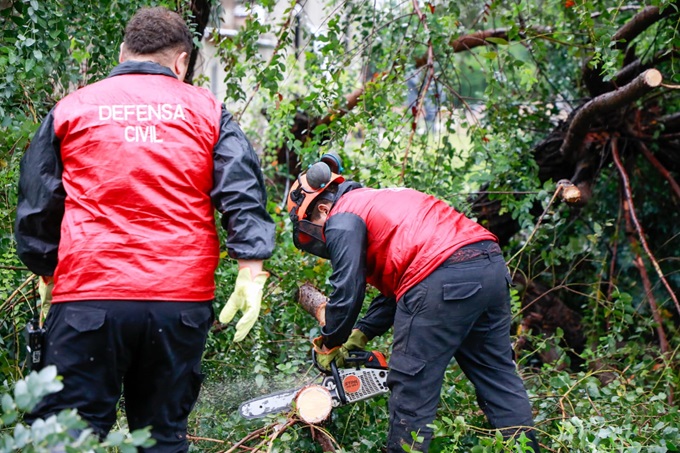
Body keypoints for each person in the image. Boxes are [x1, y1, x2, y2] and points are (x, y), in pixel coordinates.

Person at [14, 6, 275, 452]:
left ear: (123, 52)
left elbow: (40, 202)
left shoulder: (73, 107)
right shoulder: (209, 110)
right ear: (181, 63)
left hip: (88, 301)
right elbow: (241, 191)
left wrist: (44, 266)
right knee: (160, 439)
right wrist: (251, 268)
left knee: (65, 438)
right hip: (179, 304)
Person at [286, 154, 541, 452]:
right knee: (498, 378)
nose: (319, 238)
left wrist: (330, 341)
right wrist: (361, 334)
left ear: (322, 207)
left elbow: (348, 289)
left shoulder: (342, 218)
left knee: (412, 387)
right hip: (489, 268)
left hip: (440, 278)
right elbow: (401, 286)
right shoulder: (378, 201)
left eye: (312, 228)